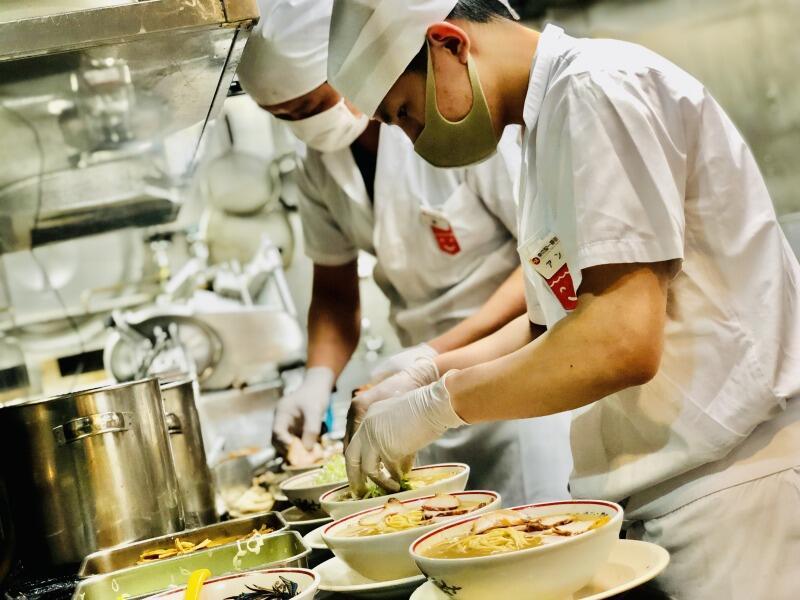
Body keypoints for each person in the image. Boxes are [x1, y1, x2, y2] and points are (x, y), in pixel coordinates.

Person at [327, 0, 800, 597]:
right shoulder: (544, 125)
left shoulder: (596, 89)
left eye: (406, 114)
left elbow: (619, 343)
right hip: (667, 490)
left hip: (730, 492)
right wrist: (425, 371)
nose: (414, 142)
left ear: (449, 44)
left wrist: (436, 406)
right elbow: (549, 318)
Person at [236, 0, 573, 506]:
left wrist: (432, 359)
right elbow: (333, 294)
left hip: (511, 373)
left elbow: (544, 264)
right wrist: (316, 381)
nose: (305, 126)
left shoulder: (453, 119)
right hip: (416, 396)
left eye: (308, 106)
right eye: (284, 118)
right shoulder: (316, 168)